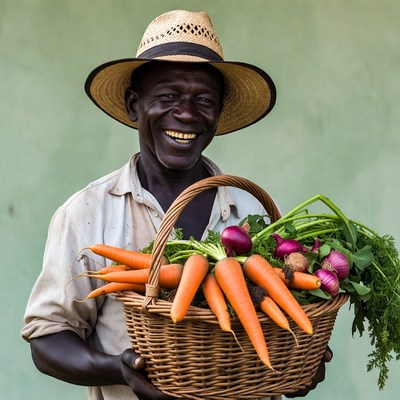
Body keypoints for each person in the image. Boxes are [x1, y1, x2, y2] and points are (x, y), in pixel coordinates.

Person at [22, 9, 331, 400]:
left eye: (204, 100)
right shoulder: (86, 214)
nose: (186, 113)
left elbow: (285, 314)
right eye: (168, 96)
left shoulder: (252, 210)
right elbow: (47, 340)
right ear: (135, 106)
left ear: (217, 114)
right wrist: (120, 368)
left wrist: (298, 355)